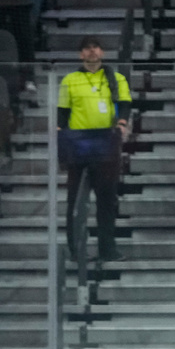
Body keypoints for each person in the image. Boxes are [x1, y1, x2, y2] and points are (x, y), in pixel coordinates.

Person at [58, 35, 131, 263]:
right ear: (81, 54)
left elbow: (125, 104)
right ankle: (75, 250)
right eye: (87, 48)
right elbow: (62, 113)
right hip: (78, 142)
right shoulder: (70, 79)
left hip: (106, 140)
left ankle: (107, 249)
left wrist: (122, 124)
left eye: (96, 48)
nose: (91, 52)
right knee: (75, 200)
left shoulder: (115, 77)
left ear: (102, 53)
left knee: (107, 200)